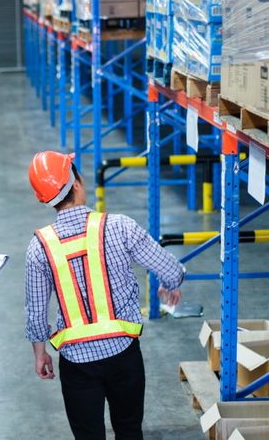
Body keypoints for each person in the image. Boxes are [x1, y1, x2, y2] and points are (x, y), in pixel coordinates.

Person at [24, 151, 186, 440]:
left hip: (76, 363)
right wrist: (169, 283)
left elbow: (36, 313)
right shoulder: (119, 226)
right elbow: (170, 268)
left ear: (44, 199)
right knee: (128, 429)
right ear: (77, 183)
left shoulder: (40, 247)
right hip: (123, 355)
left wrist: (40, 353)